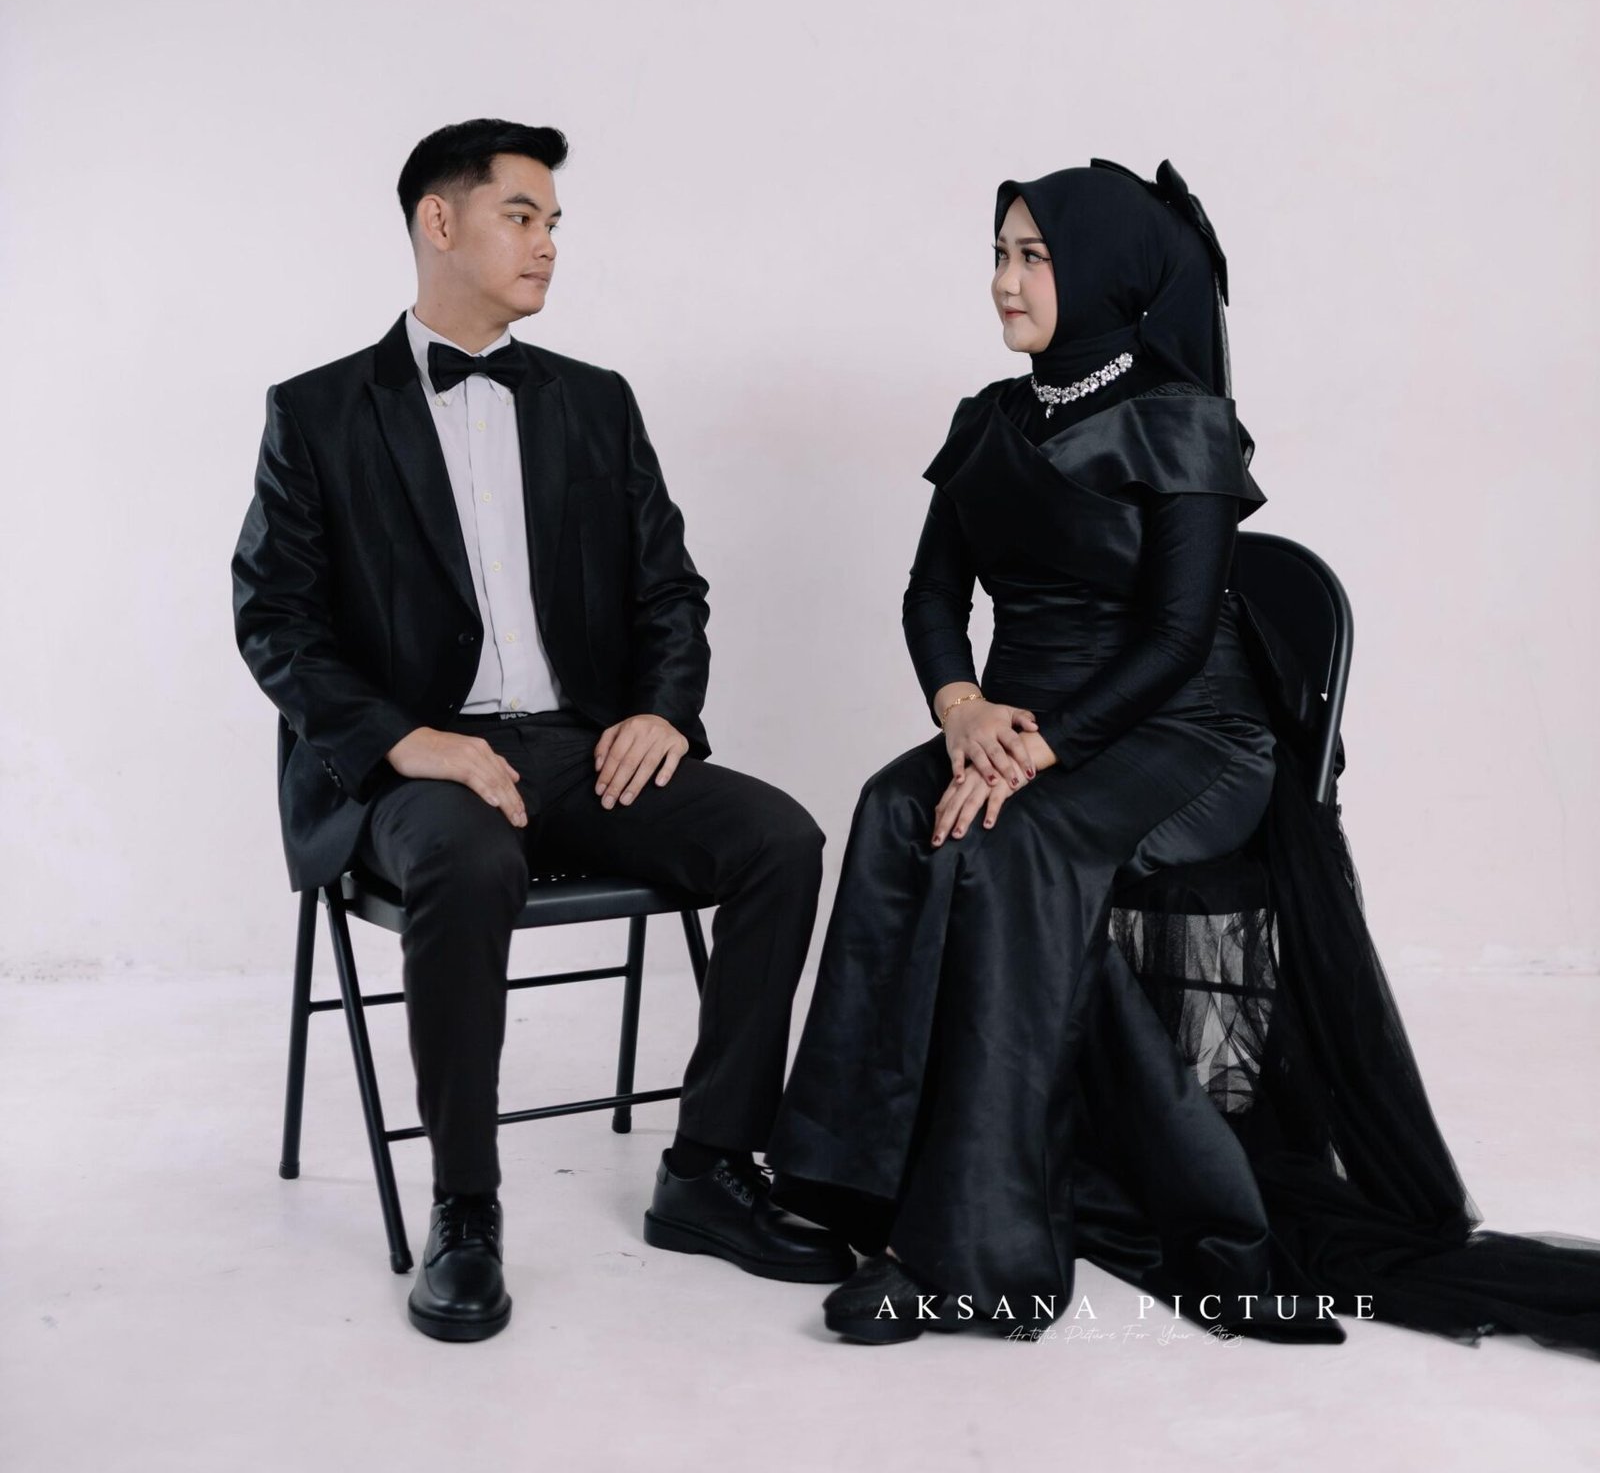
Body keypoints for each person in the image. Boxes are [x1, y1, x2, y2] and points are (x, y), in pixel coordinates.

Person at [766, 157, 1600, 1353]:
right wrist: (961, 711)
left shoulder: (1180, 420)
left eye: (1033, 257)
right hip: (1018, 727)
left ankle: (976, 1256)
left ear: (1103, 274)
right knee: (892, 805)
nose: (1004, 281)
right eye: (998, 254)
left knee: (1016, 842)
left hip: (1190, 738)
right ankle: (861, 1177)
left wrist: (1034, 751)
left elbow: (1170, 641)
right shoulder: (987, 420)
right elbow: (930, 594)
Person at [232, 118, 852, 1343]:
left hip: (579, 747)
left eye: (555, 222)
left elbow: (670, 590)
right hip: (414, 768)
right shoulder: (317, 412)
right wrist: (406, 743)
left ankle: (707, 1169)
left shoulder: (594, 402)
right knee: (467, 863)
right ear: (439, 221)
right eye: (521, 215)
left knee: (779, 840)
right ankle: (465, 1208)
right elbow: (276, 619)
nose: (548, 243)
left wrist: (661, 711)